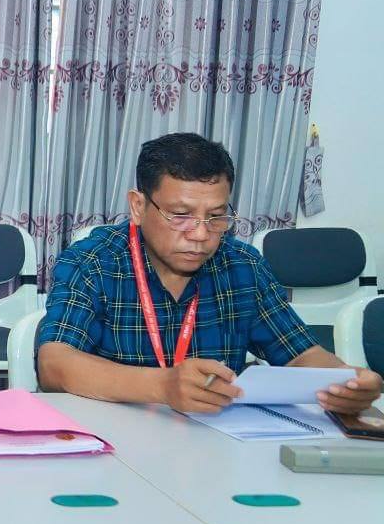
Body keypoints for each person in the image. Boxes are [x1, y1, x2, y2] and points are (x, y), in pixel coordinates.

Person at [38, 132, 382, 414]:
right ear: (138, 206)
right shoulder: (93, 262)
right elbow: (54, 363)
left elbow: (300, 353)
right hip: (117, 437)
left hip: (215, 441)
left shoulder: (242, 266)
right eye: (180, 215)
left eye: (216, 216)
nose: (201, 234)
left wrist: (347, 380)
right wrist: (162, 386)